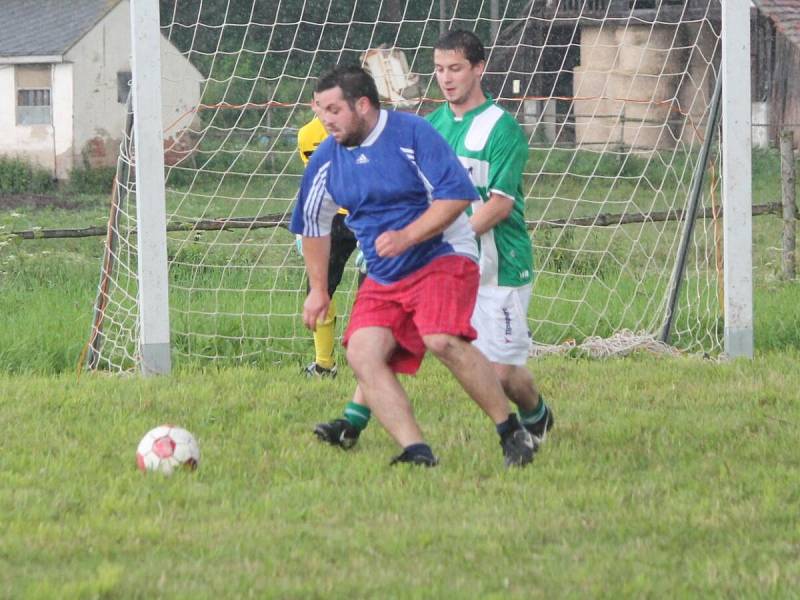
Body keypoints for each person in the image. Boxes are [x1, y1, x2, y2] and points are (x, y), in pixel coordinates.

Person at [313, 30, 554, 452]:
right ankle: (352, 422)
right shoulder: (429, 126)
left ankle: (535, 414)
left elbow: (498, 205)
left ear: (479, 69)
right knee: (385, 335)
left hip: (499, 265)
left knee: (502, 374)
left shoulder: (503, 129)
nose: (446, 78)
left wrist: (439, 234)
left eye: (456, 68)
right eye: (439, 69)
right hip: (436, 261)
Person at [296, 112, 364, 378]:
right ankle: (324, 364)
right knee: (318, 289)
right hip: (332, 218)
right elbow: (314, 181)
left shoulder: (365, 129)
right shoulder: (307, 135)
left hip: (367, 212)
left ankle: (372, 360)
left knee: (372, 294)